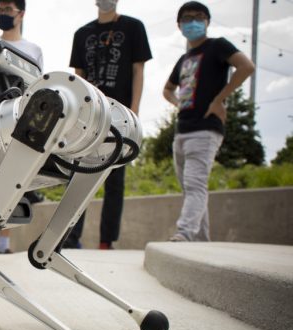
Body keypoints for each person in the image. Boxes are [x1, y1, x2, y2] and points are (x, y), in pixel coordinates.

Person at [163, 1, 255, 242]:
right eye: (187, 18)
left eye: (198, 17)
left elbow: (246, 66)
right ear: (179, 25)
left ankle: (184, 233)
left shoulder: (217, 47)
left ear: (207, 21)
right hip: (182, 130)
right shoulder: (184, 58)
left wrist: (219, 100)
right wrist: (178, 104)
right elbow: (167, 89)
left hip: (205, 129)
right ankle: (201, 241)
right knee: (191, 189)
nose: (192, 21)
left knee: (195, 184)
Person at [66, 0, 152, 250]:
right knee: (78, 175)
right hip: (90, 116)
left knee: (115, 180)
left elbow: (138, 70)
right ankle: (70, 237)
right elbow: (78, 78)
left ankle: (106, 241)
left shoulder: (133, 27)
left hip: (121, 114)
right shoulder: (82, 34)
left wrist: (134, 112)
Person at [0, 0, 44, 254]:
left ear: (21, 14)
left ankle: (3, 244)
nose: (3, 14)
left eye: (7, 10)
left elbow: (37, 87)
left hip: (20, 121)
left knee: (12, 182)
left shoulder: (33, 49)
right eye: (0, 9)